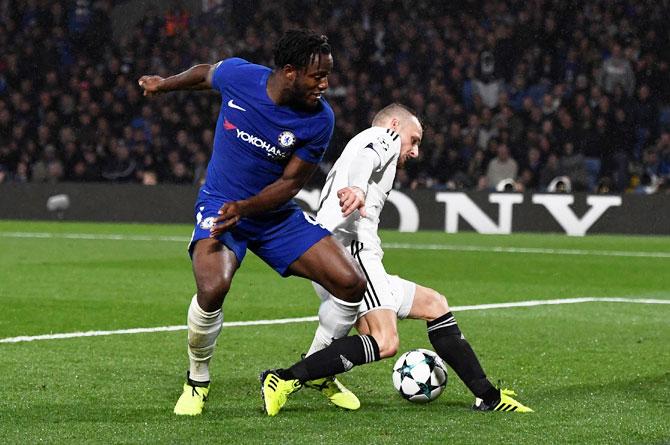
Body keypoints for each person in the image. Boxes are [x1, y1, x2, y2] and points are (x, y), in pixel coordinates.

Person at [139, 30, 385, 416]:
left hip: (271, 214)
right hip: (222, 205)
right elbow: (205, 74)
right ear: (289, 72)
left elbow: (289, 183)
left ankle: (315, 371)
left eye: (328, 76)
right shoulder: (240, 76)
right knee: (213, 286)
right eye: (317, 76)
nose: (325, 85)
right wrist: (163, 85)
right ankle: (197, 380)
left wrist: (247, 207)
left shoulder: (320, 119)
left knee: (351, 283)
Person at [301, 103, 533, 413]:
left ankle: (488, 396)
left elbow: (363, 159)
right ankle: (286, 377)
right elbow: (366, 157)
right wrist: (356, 186)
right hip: (352, 253)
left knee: (434, 304)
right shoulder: (384, 136)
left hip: (340, 252)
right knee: (384, 341)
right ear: (395, 125)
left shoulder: (364, 146)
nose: (415, 151)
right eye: (415, 139)